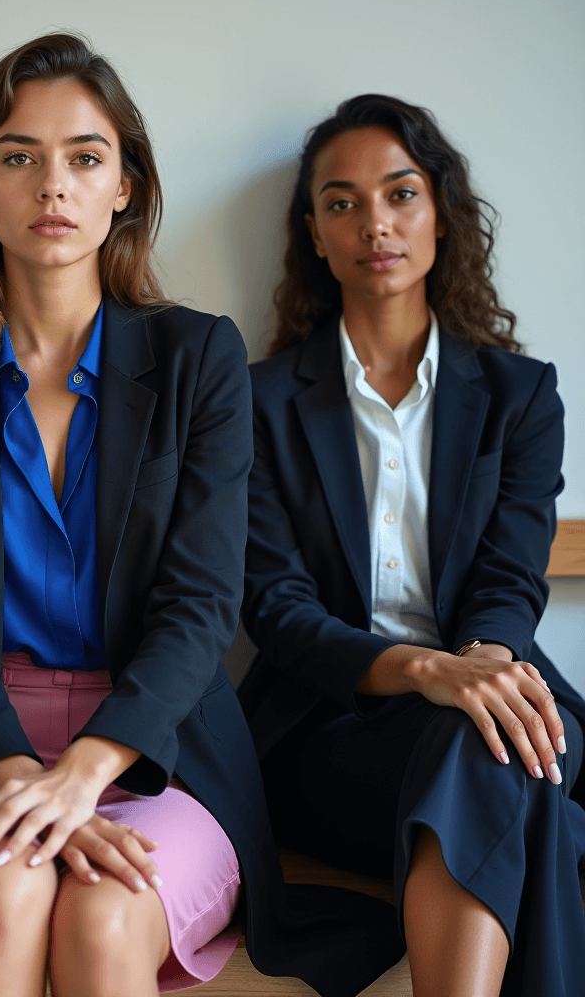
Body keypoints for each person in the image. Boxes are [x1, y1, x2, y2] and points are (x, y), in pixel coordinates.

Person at [0, 34, 402, 997]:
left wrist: (85, 773)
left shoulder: (200, 360)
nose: (51, 185)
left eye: (84, 157)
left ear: (126, 187)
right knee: (7, 890)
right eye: (18, 156)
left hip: (160, 744)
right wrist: (22, 776)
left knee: (107, 918)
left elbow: (199, 602)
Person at [238, 93, 585, 997]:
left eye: (400, 194)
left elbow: (511, 578)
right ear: (314, 233)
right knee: (520, 785)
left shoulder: (519, 397)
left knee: (496, 743)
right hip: (334, 732)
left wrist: (481, 664)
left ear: (440, 212)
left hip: (501, 699)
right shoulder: (260, 403)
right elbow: (279, 613)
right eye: (342, 202)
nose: (374, 224)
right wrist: (432, 673)